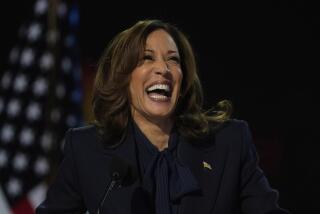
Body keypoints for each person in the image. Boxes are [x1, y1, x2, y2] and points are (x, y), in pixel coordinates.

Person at [36, 19, 289, 214]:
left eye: (173, 60)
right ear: (123, 77)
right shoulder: (86, 149)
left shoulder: (229, 143)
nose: (163, 69)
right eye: (146, 58)